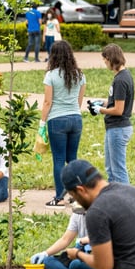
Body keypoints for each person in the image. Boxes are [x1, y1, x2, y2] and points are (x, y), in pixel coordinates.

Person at [39, 40, 85, 207]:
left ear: (53, 56)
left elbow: (47, 102)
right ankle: (76, 196)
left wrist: (42, 123)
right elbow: (79, 100)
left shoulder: (51, 75)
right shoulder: (79, 75)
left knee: (58, 159)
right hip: (76, 119)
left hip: (57, 120)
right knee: (72, 159)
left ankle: (59, 198)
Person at [87, 44, 134, 184]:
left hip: (118, 128)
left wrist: (100, 110)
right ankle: (114, 195)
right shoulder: (124, 76)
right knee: (111, 169)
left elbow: (118, 110)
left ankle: (124, 196)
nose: (104, 63)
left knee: (118, 170)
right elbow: (117, 102)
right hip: (114, 128)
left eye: (105, 59)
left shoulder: (120, 80)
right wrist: (102, 103)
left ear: (110, 59)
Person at [29, 202, 101, 269]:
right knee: (47, 260)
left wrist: (84, 241)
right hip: (80, 254)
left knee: (75, 264)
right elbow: (65, 239)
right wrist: (45, 253)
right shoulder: (77, 214)